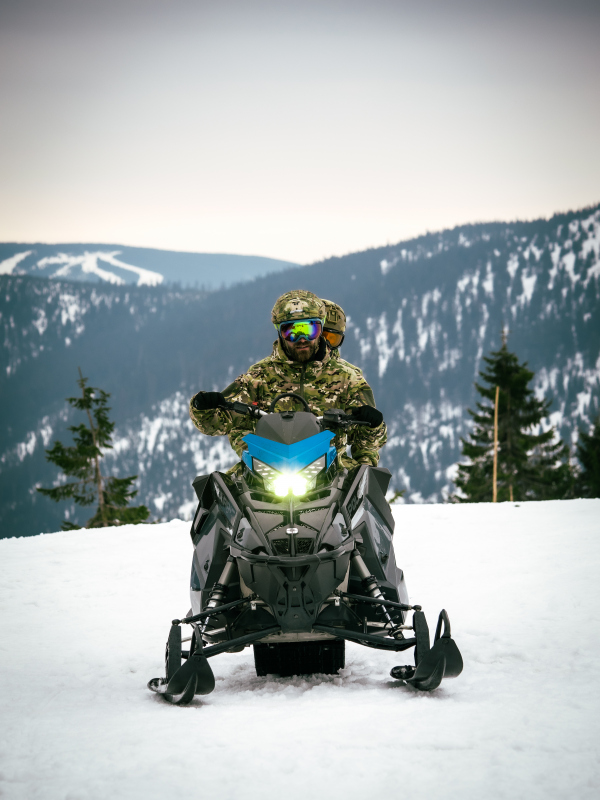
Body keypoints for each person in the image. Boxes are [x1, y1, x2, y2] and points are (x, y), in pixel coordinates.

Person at [189, 290, 386, 471]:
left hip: (331, 470)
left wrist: (373, 426)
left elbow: (367, 442)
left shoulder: (347, 378)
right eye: (291, 332)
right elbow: (218, 423)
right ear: (280, 333)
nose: (302, 339)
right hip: (266, 469)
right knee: (217, 490)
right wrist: (203, 408)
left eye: (309, 330)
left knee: (366, 491)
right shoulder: (259, 377)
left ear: (320, 330)